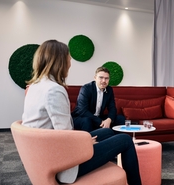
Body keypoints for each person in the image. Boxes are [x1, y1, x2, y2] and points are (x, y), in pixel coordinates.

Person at [21, 39, 142, 185]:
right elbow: (66, 138)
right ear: (59, 62)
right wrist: (84, 143)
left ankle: (103, 156)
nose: (70, 63)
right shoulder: (54, 90)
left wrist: (85, 137)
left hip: (49, 151)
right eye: (68, 59)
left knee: (108, 132)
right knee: (125, 139)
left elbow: (61, 133)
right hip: (64, 163)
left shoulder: (34, 86)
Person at [71, 66, 125, 132]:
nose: (104, 81)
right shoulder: (86, 88)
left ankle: (116, 140)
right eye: (101, 77)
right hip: (81, 117)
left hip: (98, 117)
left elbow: (112, 108)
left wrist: (109, 119)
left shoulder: (109, 90)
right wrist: (100, 121)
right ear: (95, 78)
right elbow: (82, 111)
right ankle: (90, 141)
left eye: (106, 78)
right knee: (87, 121)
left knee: (120, 118)